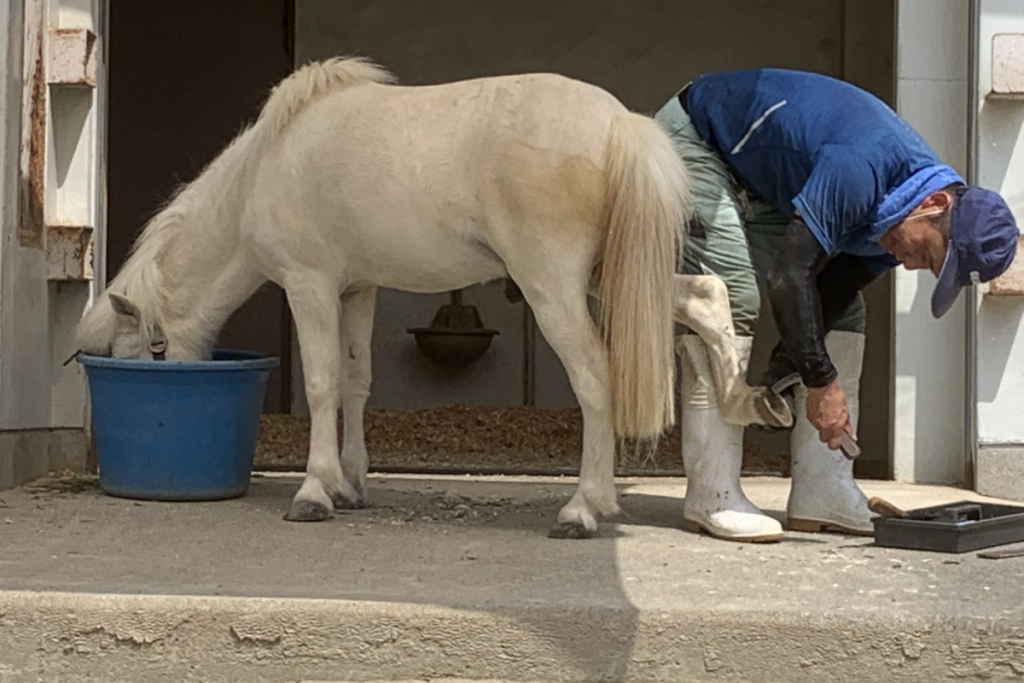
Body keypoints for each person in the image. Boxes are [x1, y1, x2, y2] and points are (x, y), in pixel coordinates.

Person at [656, 68, 1019, 543]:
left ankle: (823, 489)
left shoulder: (902, 214)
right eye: (926, 254)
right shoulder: (862, 169)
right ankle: (711, 495)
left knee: (847, 315)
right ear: (933, 203)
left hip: (763, 176)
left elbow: (829, 295)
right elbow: (790, 276)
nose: (910, 266)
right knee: (727, 297)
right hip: (698, 137)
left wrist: (789, 369)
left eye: (929, 268)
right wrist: (822, 385)